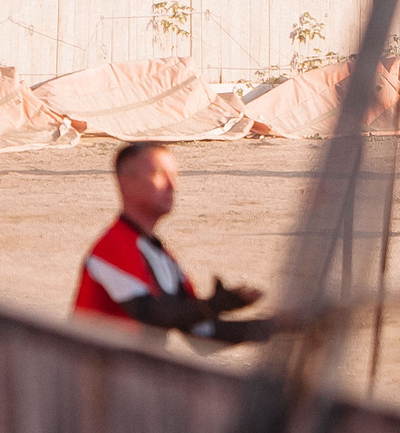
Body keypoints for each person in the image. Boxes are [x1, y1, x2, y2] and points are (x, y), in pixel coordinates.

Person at [73, 141, 274, 346]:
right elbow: (151, 315)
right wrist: (212, 306)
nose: (172, 185)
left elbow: (203, 331)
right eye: (160, 174)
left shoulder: (161, 257)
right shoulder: (113, 246)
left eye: (175, 175)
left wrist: (282, 328)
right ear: (126, 183)